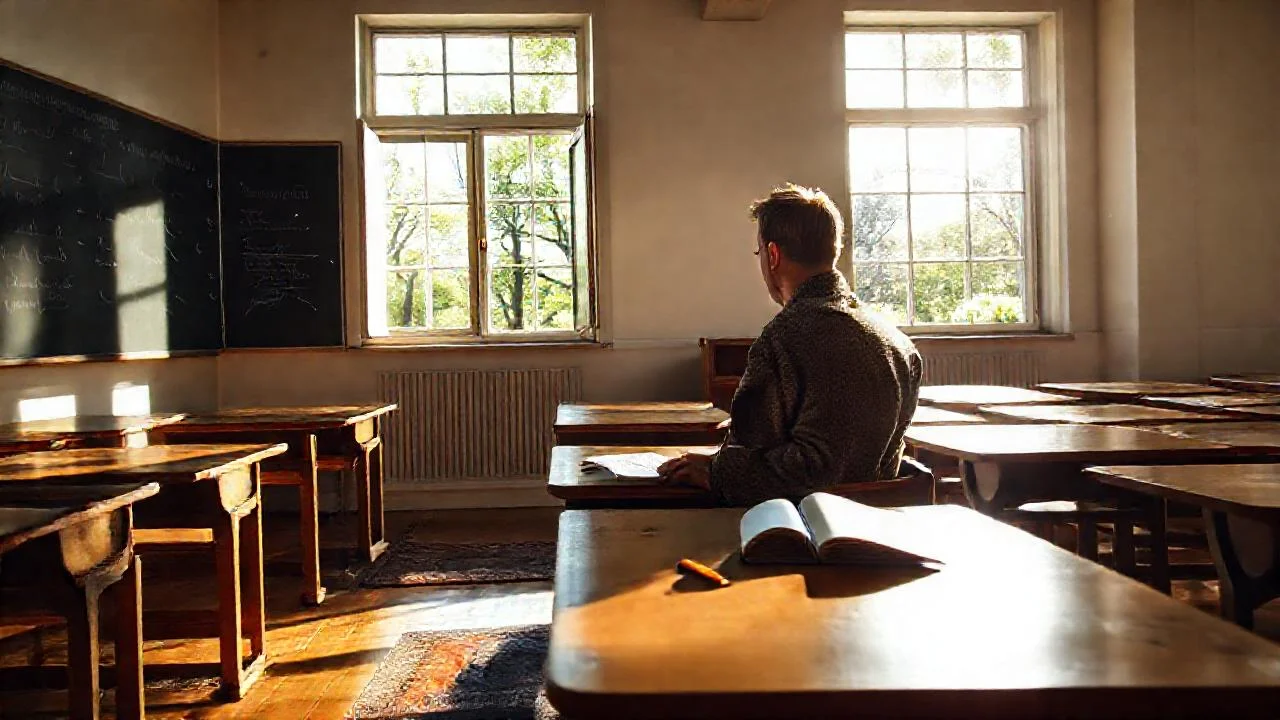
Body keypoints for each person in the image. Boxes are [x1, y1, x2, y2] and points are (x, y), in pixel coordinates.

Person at [658, 184, 922, 506]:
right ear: (833, 249)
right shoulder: (898, 344)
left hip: (804, 533)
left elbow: (748, 453)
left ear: (773, 255)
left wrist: (715, 470)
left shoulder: (782, 339)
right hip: (883, 530)